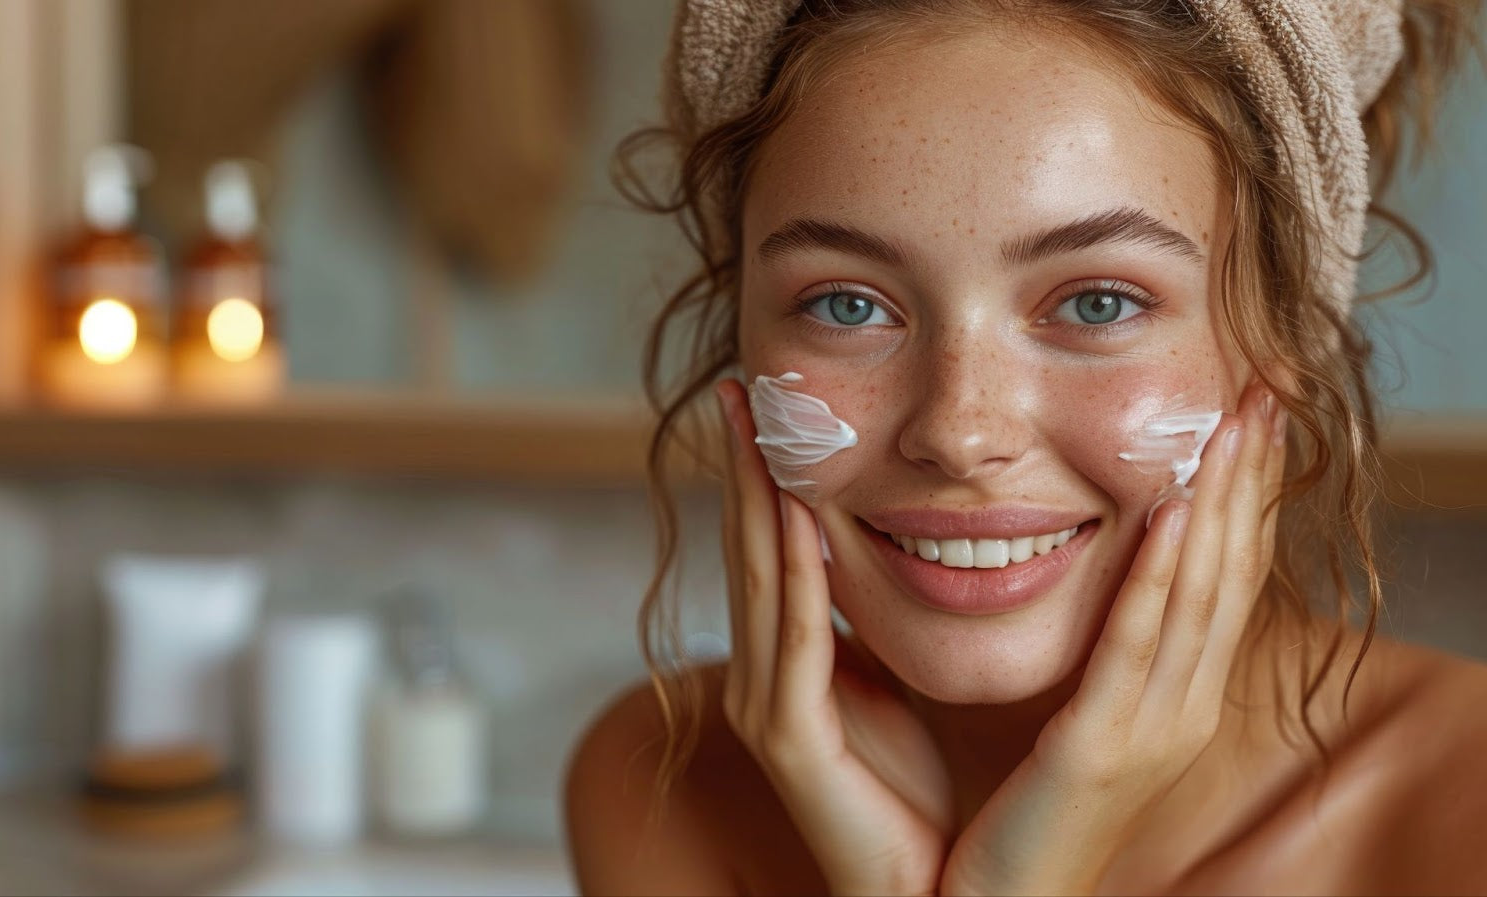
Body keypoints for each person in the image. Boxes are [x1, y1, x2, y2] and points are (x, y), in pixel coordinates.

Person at [565, 0, 1486, 893]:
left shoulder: (1461, 812)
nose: (960, 433)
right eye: (847, 304)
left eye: (1099, 302)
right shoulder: (665, 790)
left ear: (1280, 344)